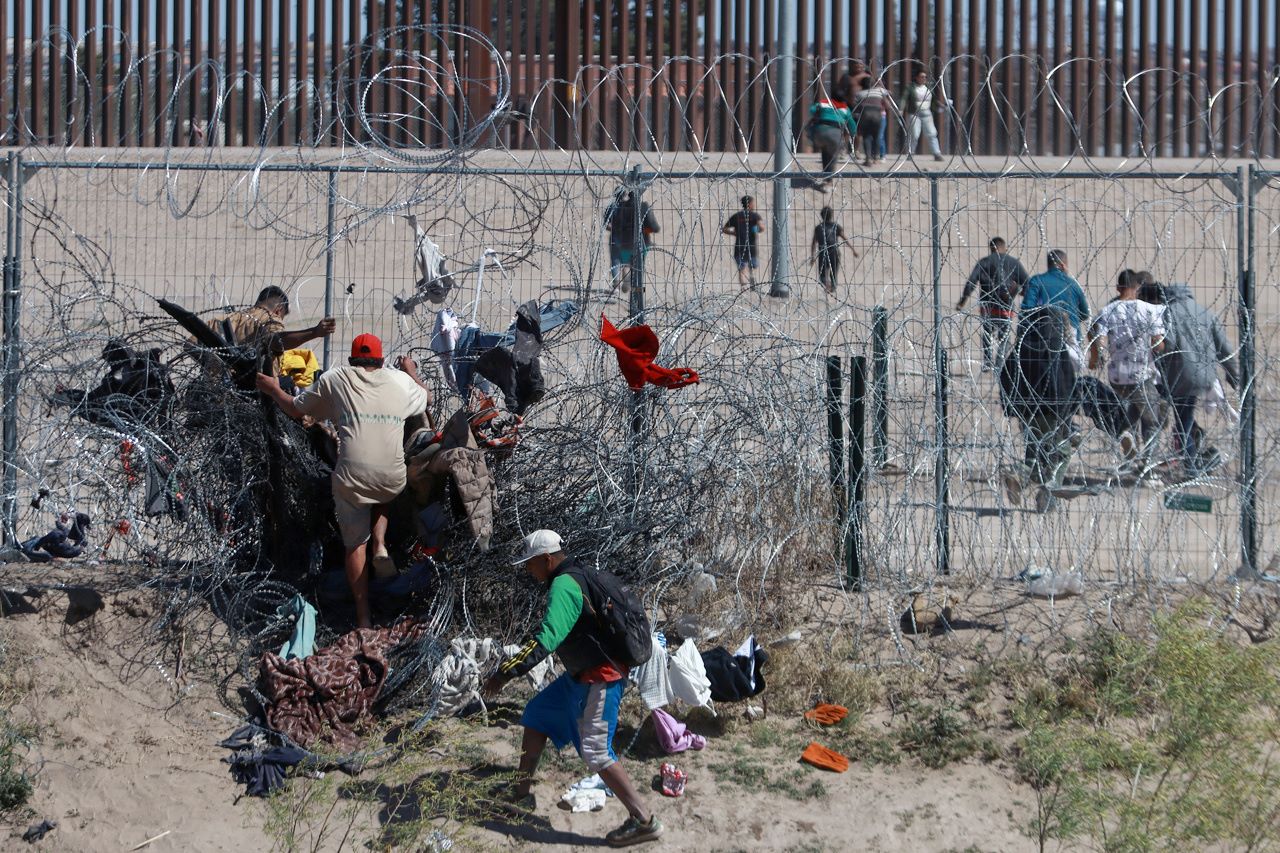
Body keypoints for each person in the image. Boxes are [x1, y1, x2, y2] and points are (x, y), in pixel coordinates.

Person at [482, 530, 662, 848]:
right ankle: (521, 794)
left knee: (595, 750)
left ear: (547, 559)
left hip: (600, 677)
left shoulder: (564, 585)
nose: (528, 570)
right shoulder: (580, 574)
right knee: (536, 714)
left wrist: (504, 673)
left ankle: (644, 820)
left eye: (530, 564)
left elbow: (546, 639)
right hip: (581, 675)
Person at [255, 334, 431, 628]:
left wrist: (274, 389)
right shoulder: (399, 380)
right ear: (381, 360)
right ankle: (380, 544)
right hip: (391, 477)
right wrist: (412, 372)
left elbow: (295, 408)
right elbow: (426, 398)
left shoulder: (336, 378)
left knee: (353, 543)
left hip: (351, 477)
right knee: (383, 489)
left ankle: (363, 616)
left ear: (352, 361)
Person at [1142, 281, 1239, 476]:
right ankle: (1193, 454)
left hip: (1180, 375)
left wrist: (1157, 365)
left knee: (1181, 420)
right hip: (1205, 375)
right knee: (1184, 418)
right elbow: (1223, 347)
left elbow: (1166, 345)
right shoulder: (1205, 312)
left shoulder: (1168, 313)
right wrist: (1234, 376)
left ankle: (1191, 467)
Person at [1000, 306, 1080, 512]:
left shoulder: (1021, 347)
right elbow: (1066, 381)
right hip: (1052, 410)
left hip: (1026, 410)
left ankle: (1020, 475)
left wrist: (1011, 407)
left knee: (1034, 450)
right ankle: (1047, 495)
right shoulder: (1056, 347)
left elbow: (1006, 376)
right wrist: (1068, 412)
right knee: (1060, 454)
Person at [1088, 270, 1168, 470]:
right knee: (1153, 419)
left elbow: (1096, 334)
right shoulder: (1148, 310)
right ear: (1137, 288)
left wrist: (1098, 356)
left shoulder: (1109, 310)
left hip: (1117, 377)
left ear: (1118, 288)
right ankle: (1148, 468)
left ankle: (1128, 454)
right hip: (1141, 376)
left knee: (1130, 415)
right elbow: (1158, 345)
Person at [206, 285, 336, 376]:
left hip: (216, 399)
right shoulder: (269, 318)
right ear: (279, 310)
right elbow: (276, 340)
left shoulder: (223, 319)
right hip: (256, 398)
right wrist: (314, 332)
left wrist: (219, 367)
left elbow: (191, 344)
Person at [957, 237, 1030, 370]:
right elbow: (1027, 282)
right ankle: (1000, 363)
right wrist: (1021, 292)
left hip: (987, 306)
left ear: (991, 248)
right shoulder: (1013, 263)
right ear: (1004, 248)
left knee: (987, 334)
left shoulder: (984, 262)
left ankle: (987, 361)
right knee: (1004, 337)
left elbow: (971, 282)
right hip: (1005, 305)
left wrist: (962, 302)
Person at [1020, 250, 1090, 349]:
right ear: (1062, 265)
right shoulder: (1073, 284)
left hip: (1044, 335)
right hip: (1070, 338)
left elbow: (1027, 309)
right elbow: (1085, 313)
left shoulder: (1037, 281)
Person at [604, 189, 660, 293]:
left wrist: (617, 230)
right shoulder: (644, 207)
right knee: (638, 266)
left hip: (623, 241)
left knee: (621, 262)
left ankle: (618, 283)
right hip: (642, 242)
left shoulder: (619, 207)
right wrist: (645, 230)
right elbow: (655, 228)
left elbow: (608, 224)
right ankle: (637, 291)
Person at [806, 80, 858, 189]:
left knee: (825, 152)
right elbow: (852, 126)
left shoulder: (823, 103)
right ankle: (828, 181)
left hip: (819, 133)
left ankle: (825, 176)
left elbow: (811, 110)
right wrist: (852, 135)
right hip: (835, 134)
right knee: (833, 157)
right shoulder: (845, 108)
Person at [809, 206, 859, 294]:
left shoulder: (819, 227)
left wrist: (813, 257)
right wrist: (853, 250)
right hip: (834, 252)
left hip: (823, 252)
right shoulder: (835, 226)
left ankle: (828, 286)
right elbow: (845, 239)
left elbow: (813, 243)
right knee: (833, 273)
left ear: (821, 215)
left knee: (823, 275)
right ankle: (831, 286)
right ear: (831, 215)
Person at [902, 69, 944, 162]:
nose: (923, 78)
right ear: (916, 77)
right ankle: (910, 153)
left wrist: (940, 105)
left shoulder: (928, 88)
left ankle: (937, 153)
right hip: (914, 113)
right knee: (914, 134)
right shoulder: (911, 87)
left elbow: (934, 100)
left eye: (925, 77)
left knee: (932, 133)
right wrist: (901, 108)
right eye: (921, 77)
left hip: (927, 114)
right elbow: (904, 98)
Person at [722, 195, 763, 289]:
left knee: (742, 268)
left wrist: (734, 233)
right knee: (751, 267)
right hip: (751, 246)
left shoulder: (737, 216)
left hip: (739, 246)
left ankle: (744, 287)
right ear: (749, 204)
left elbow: (724, 229)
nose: (754, 205)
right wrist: (754, 229)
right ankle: (752, 281)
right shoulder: (754, 216)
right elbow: (762, 228)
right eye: (753, 203)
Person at [852, 76, 894, 166]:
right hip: (877, 115)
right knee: (876, 136)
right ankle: (876, 157)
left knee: (866, 137)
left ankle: (868, 159)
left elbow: (855, 107)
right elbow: (889, 96)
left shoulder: (859, 94)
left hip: (865, 115)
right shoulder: (879, 91)